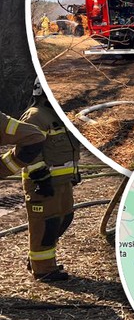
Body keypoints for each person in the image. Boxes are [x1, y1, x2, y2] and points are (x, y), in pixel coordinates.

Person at [21, 80, 81, 282]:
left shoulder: (57, 115)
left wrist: (73, 172)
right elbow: (27, 149)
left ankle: (38, 261)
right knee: (46, 225)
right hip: (43, 184)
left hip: (62, 182)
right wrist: (40, 177)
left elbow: (68, 147)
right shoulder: (35, 116)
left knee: (64, 218)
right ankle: (43, 269)